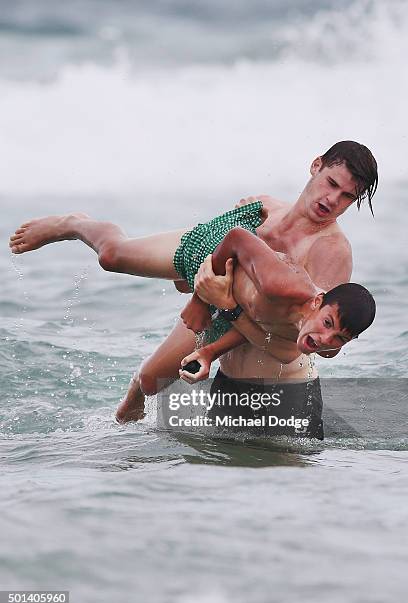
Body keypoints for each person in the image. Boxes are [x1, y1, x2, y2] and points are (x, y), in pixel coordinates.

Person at [9, 141, 378, 425]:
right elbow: (219, 251)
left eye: (347, 197)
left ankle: (121, 451)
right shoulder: (264, 207)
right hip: (220, 279)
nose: (332, 200)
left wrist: (213, 316)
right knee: (112, 256)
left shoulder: (332, 252)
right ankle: (73, 223)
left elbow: (293, 338)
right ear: (316, 167)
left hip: (249, 322)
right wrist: (198, 289)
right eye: (331, 184)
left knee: (151, 380)